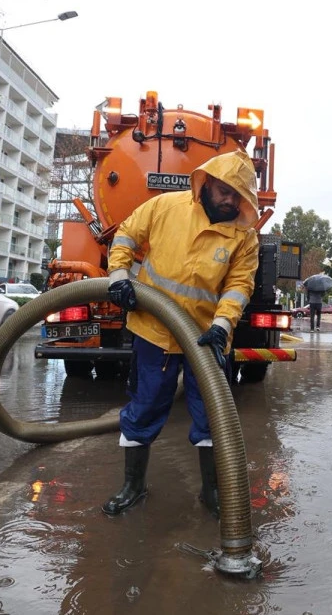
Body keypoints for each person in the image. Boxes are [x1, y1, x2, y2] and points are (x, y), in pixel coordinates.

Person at [102, 150, 260, 519]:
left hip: (206, 339)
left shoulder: (244, 237)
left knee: (213, 413)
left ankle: (212, 491)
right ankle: (133, 486)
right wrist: (119, 276)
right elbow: (126, 235)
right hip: (154, 329)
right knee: (144, 407)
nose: (230, 201)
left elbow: (239, 286)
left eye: (237, 195)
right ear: (208, 183)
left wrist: (223, 326)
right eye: (225, 191)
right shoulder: (165, 207)